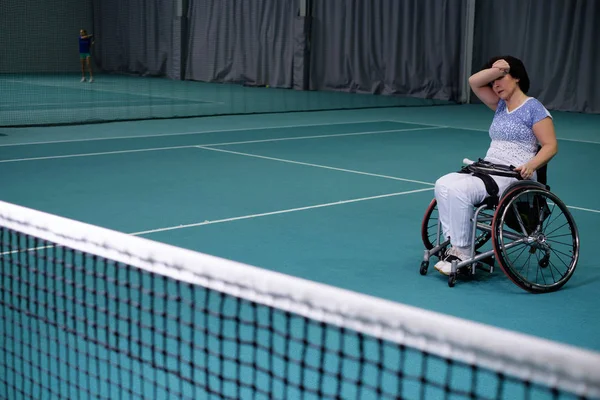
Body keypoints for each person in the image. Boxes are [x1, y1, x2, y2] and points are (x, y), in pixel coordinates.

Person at [433, 55, 558, 275]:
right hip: (489, 168)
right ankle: (456, 245)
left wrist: (531, 165)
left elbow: (550, 146)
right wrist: (498, 70)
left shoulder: (534, 108)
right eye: (493, 82)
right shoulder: (500, 106)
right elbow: (474, 81)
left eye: (500, 78)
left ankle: (463, 252)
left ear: (516, 77)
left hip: (514, 174)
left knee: (460, 191)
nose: (495, 85)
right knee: (443, 184)